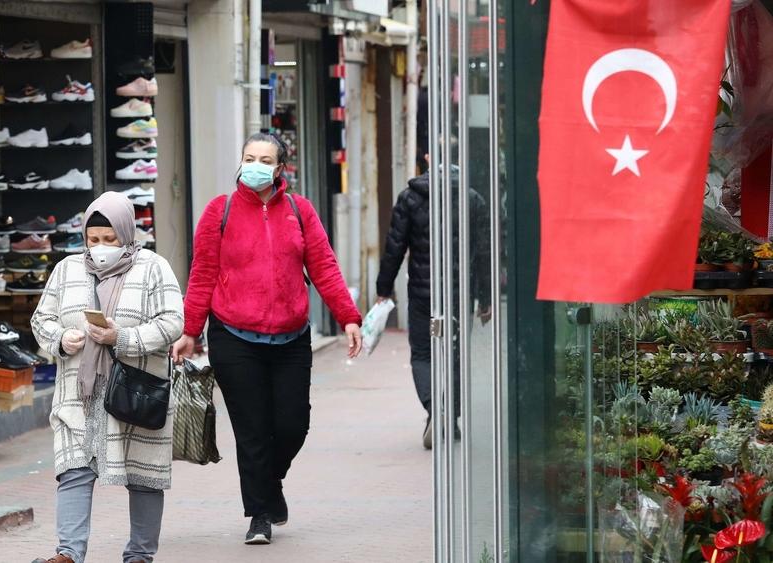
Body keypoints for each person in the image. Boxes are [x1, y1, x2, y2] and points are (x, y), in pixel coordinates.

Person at [171, 132, 363, 545]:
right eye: (249, 157)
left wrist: (348, 317)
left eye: (264, 160)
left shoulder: (299, 210)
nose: (254, 165)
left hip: (291, 339)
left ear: (279, 169)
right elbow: (202, 274)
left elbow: (325, 266)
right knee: (252, 430)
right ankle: (259, 514)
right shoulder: (219, 211)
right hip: (233, 337)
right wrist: (190, 330)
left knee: (294, 425)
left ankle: (270, 485)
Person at [31, 192, 184, 563]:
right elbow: (42, 319)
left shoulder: (153, 267)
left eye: (110, 239)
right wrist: (61, 339)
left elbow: (172, 322)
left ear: (126, 234)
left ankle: (140, 555)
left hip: (136, 390)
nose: (100, 247)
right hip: (79, 395)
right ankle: (68, 554)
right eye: (93, 239)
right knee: (74, 469)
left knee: (143, 476)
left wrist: (123, 338)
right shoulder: (67, 269)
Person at [376, 153, 491, 449]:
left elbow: (394, 247)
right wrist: (486, 297)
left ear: (428, 160)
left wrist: (383, 289)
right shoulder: (473, 199)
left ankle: (433, 408)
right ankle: (449, 417)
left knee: (422, 354)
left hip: (422, 294)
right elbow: (484, 252)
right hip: (458, 294)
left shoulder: (410, 198)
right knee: (456, 356)